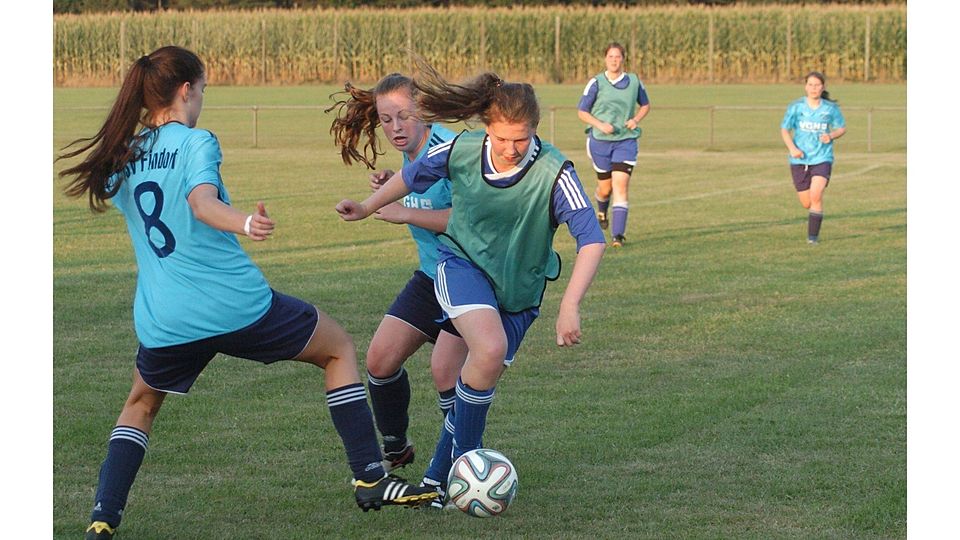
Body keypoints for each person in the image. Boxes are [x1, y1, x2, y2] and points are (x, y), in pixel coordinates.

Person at [57, 46, 437, 540]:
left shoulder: (125, 153)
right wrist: (244, 222)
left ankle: (103, 520)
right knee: (338, 348)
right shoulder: (197, 142)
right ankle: (370, 478)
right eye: (204, 89)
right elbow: (200, 202)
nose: (203, 100)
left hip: (165, 316)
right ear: (186, 90)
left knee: (140, 404)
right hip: (233, 305)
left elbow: (123, 190)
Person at [335, 60, 606, 503]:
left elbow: (590, 238)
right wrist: (367, 207)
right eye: (502, 138)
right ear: (486, 127)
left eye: (522, 139)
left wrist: (570, 304)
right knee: (487, 349)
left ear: (536, 130)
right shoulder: (461, 149)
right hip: (460, 267)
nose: (512, 148)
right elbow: (410, 176)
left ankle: (439, 480)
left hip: (518, 293)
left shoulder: (555, 171)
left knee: (466, 374)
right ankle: (469, 463)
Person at [327, 73, 468, 474]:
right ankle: (397, 446)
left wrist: (406, 210)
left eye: (403, 116)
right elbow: (420, 187)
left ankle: (463, 461)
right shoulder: (411, 156)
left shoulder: (448, 150)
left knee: (444, 370)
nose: (395, 128)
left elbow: (469, 220)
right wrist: (395, 185)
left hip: (467, 276)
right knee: (380, 360)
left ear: (422, 110)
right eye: (385, 119)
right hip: (431, 276)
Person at [577, 42, 650, 248]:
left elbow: (645, 104)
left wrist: (635, 120)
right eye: (610, 57)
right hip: (600, 142)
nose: (614, 60)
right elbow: (582, 112)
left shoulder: (634, 81)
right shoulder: (596, 83)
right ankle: (601, 208)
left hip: (626, 140)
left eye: (618, 57)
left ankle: (618, 235)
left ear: (623, 59)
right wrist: (600, 124)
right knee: (605, 188)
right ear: (605, 59)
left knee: (621, 185)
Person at [780, 71, 847, 244]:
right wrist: (793, 149)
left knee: (816, 195)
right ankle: (814, 220)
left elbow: (841, 128)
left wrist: (831, 136)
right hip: (799, 160)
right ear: (805, 86)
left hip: (822, 158)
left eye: (817, 85)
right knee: (806, 202)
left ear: (823, 87)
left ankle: (812, 239)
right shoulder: (796, 107)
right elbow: (784, 129)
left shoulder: (830, 109)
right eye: (810, 84)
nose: (814, 88)